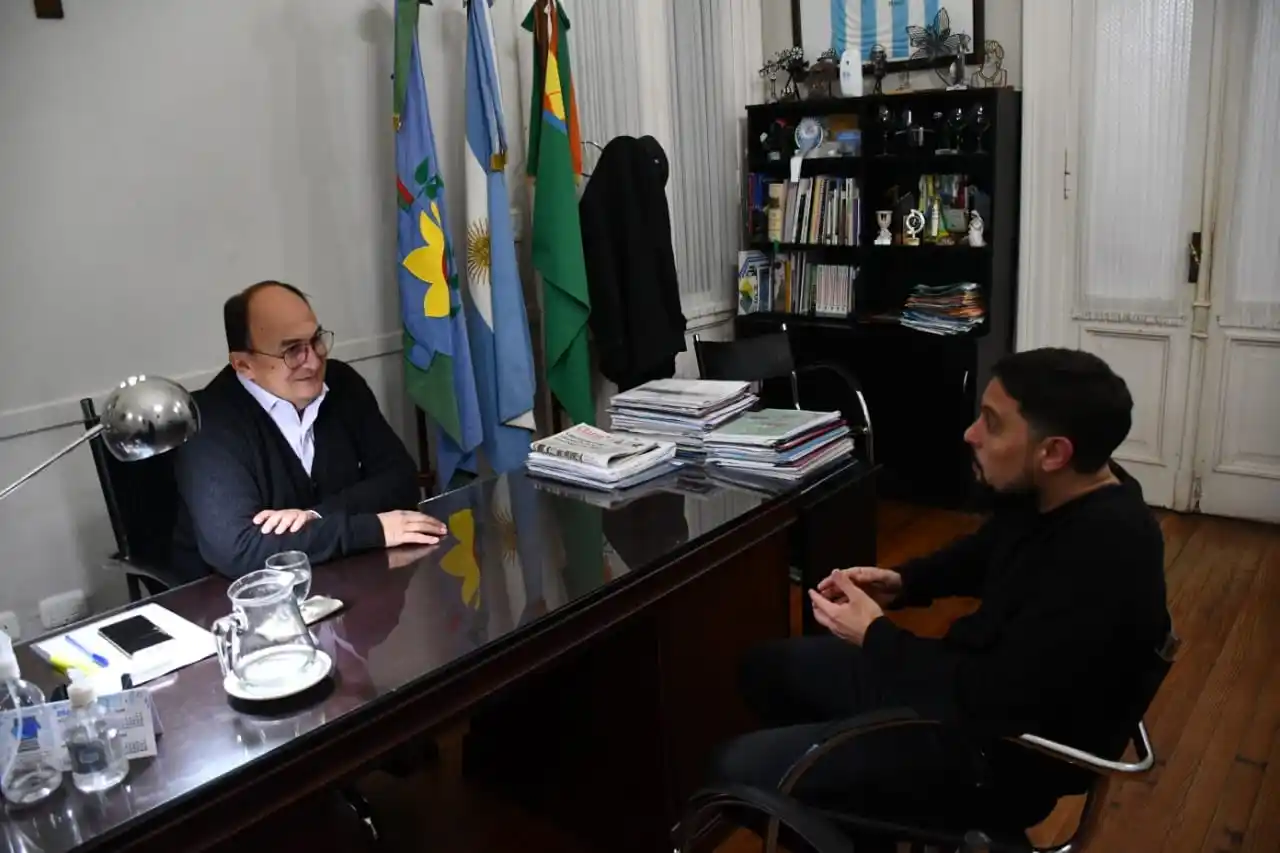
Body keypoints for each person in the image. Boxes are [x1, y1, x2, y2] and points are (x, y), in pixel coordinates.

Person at [711, 348, 1171, 828]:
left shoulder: (1104, 553)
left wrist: (875, 634)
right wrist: (905, 582)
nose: (970, 433)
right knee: (766, 667)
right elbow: (986, 551)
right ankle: (854, 809)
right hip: (971, 694)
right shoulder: (1069, 489)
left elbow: (993, 698)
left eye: (992, 424)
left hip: (997, 756)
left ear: (1053, 452)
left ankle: (871, 819)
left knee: (734, 774)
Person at [171, 281, 447, 580]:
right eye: (292, 351)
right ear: (243, 364)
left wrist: (314, 517)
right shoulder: (208, 421)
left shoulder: (342, 383)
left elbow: (401, 480)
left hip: (340, 579)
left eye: (315, 340)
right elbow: (240, 551)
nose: (314, 362)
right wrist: (373, 529)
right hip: (234, 604)